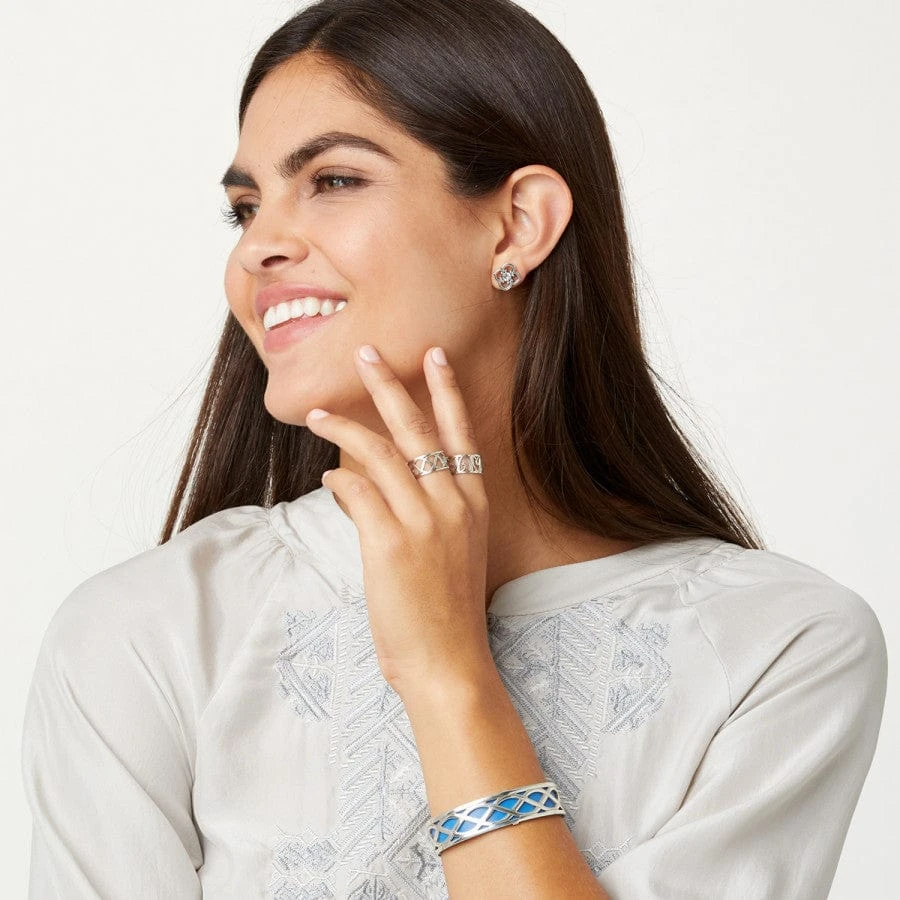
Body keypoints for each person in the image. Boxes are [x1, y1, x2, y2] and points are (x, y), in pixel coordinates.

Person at [21, 1, 887, 897]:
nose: (259, 249)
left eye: (333, 180)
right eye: (245, 209)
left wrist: (446, 675)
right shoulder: (149, 629)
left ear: (517, 225)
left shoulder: (778, 647)